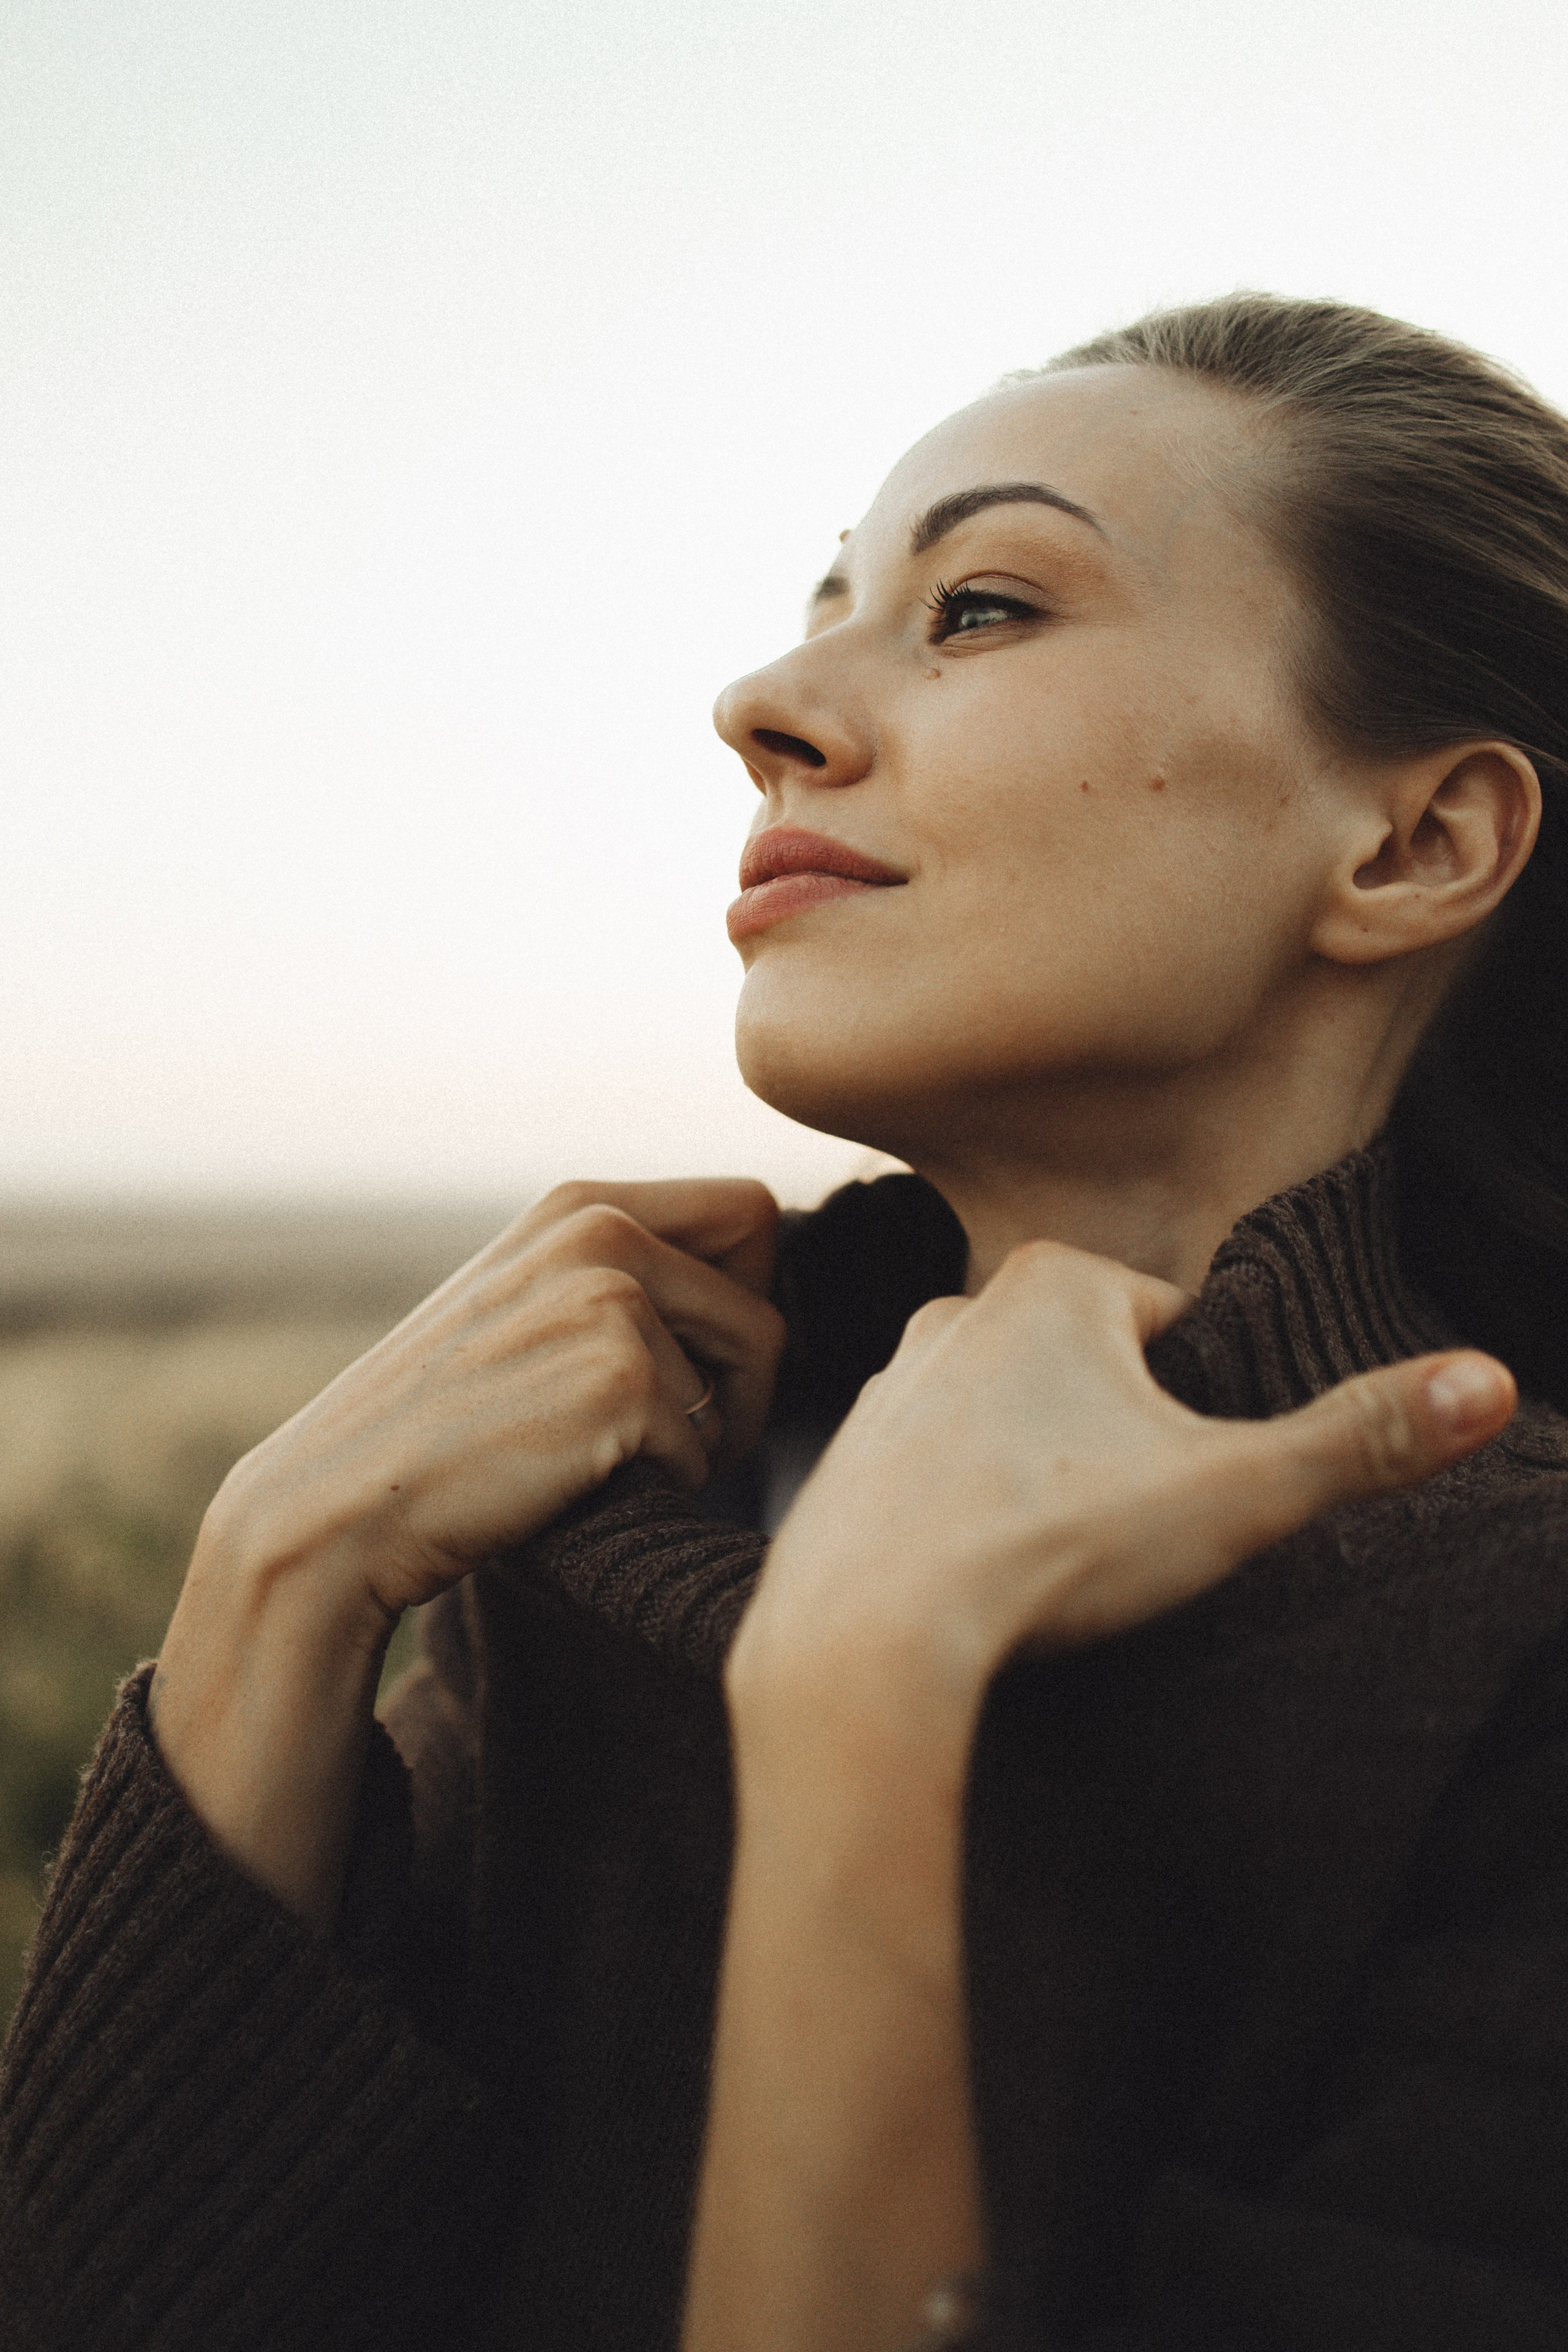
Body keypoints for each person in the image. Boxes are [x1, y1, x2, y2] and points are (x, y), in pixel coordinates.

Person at [4, 292, 1568, 2352]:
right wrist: (274, 1578)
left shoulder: (1518, 1657)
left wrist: (867, 1692)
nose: (763, 700)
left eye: (982, 606)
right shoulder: (611, 1534)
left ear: (1416, 838)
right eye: (826, 602)